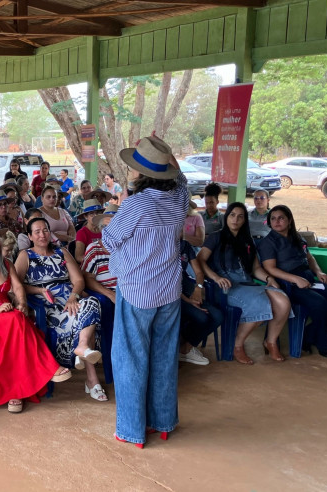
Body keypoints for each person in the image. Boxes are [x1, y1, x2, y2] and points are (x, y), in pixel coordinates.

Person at [102, 136, 190, 448]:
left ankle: (131, 429)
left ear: (140, 172)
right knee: (164, 357)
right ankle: (163, 423)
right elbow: (181, 178)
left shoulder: (137, 203)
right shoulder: (179, 197)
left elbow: (110, 240)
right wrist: (167, 155)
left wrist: (111, 216)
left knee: (129, 359)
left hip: (138, 289)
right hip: (169, 289)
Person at [0, 221, 71, 413]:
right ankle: (50, 367)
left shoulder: (6, 263)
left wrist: (21, 303)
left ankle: (17, 393)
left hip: (5, 311)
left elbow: (18, 287)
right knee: (17, 320)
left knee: (19, 318)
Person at [16, 217, 105, 401]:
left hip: (69, 299)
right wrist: (40, 289)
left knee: (92, 303)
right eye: (38, 232)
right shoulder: (25, 256)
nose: (43, 235)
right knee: (82, 323)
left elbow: (78, 280)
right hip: (46, 305)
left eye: (46, 230)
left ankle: (82, 347)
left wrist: (73, 296)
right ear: (30, 236)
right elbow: (15, 285)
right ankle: (92, 379)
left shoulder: (61, 252)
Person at [197, 202, 291, 365]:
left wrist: (269, 279)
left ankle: (270, 341)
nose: (235, 220)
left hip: (246, 284)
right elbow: (200, 260)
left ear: (244, 220)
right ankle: (237, 345)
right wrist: (216, 277)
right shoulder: (215, 237)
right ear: (227, 217)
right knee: (260, 302)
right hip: (226, 287)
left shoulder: (248, 241)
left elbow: (255, 269)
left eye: (240, 216)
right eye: (232, 215)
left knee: (283, 301)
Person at [259, 205, 327, 358]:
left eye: (281, 218)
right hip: (288, 284)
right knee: (320, 303)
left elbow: (309, 257)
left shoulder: (297, 237)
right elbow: (270, 268)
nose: (277, 222)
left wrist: (318, 271)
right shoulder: (269, 242)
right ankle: (323, 343)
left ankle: (308, 335)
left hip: (308, 279)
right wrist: (295, 279)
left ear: (289, 220)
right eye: (273, 219)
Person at [178, 237, 221, 365]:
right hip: (171, 295)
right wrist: (188, 300)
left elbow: (198, 272)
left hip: (186, 289)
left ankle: (186, 348)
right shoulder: (162, 244)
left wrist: (198, 289)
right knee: (201, 317)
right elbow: (165, 280)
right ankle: (181, 348)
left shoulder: (184, 245)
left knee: (217, 316)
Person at [81, 208, 119, 304]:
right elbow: (87, 278)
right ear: (100, 229)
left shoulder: (129, 247)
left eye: (114, 226)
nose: (108, 231)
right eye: (104, 227)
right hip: (110, 294)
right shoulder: (94, 249)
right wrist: (110, 294)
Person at [73, 199, 103, 264]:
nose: (96, 216)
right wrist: (94, 262)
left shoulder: (105, 230)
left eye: (98, 213)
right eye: (91, 214)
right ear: (86, 216)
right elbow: (78, 256)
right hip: (91, 266)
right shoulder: (82, 233)